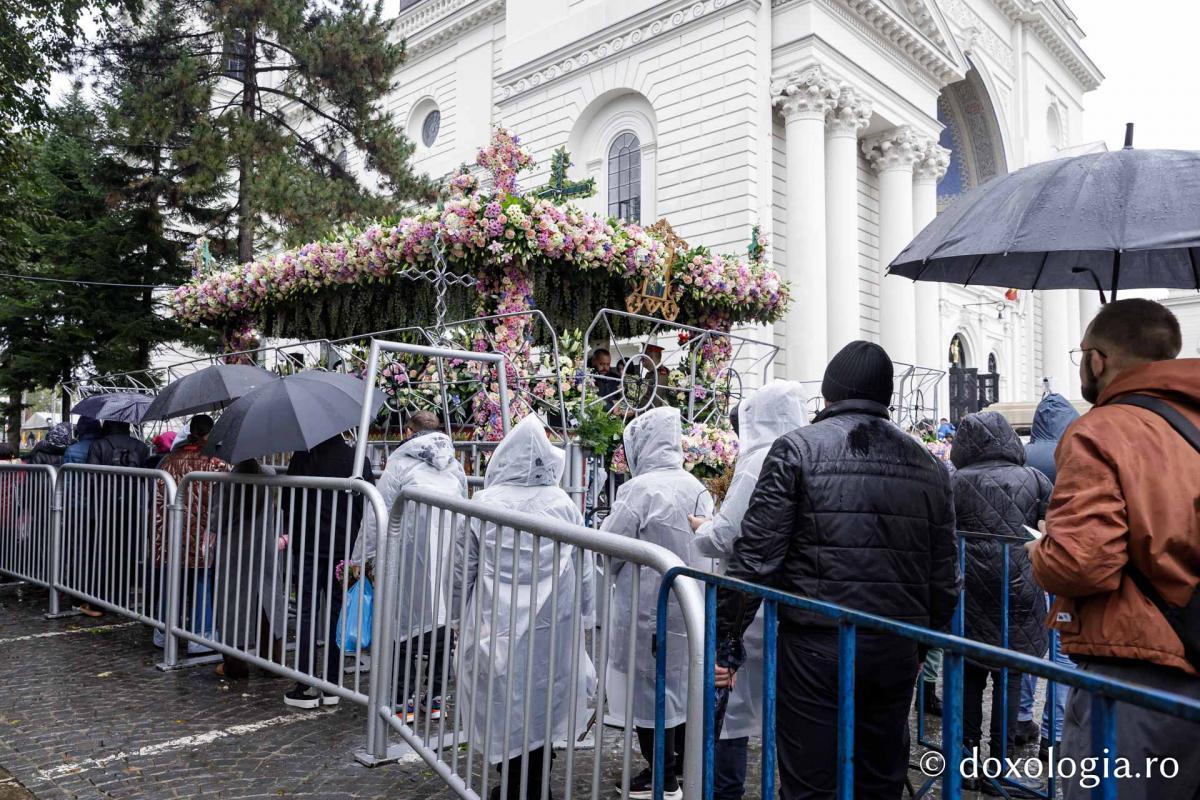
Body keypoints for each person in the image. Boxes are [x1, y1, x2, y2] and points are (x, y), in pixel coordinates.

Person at [717, 341, 959, 800]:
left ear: (828, 393)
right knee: (879, 775)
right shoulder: (929, 464)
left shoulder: (797, 449)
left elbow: (755, 559)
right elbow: (944, 576)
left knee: (810, 778)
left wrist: (723, 641)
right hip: (894, 643)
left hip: (817, 644)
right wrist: (923, 640)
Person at [1029, 299, 1200, 800]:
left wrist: (1040, 550)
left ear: (1097, 360)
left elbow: (1079, 562)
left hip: (1136, 674)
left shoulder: (1101, 429)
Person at [450, 415, 595, 800]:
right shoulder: (563, 505)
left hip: (494, 624)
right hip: (554, 624)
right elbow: (584, 570)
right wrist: (586, 614)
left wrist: (453, 615)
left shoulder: (485, 503)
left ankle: (514, 785)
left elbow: (462, 568)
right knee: (544, 705)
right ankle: (536, 786)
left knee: (502, 704)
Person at [688, 381, 808, 800]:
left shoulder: (759, 460)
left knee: (732, 710)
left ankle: (727, 791)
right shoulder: (807, 453)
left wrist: (702, 530)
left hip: (749, 603)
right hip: (795, 604)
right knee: (789, 711)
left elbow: (728, 534)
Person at [601, 406, 714, 800]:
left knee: (650, 693)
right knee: (680, 688)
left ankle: (660, 775)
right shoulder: (695, 486)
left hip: (648, 607)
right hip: (690, 605)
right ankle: (679, 767)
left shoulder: (639, 489)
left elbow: (610, 545)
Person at [949, 412, 1051, 773]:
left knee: (970, 674)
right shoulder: (1035, 479)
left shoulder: (954, 480)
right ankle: (1000, 763)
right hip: (1019, 590)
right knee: (1010, 676)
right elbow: (1051, 528)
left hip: (969, 590)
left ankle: (967, 759)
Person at [352, 410, 467, 722]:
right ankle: (436, 697)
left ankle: (403, 701)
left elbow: (379, 511)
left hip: (408, 554)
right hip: (447, 553)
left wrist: (361, 557)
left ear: (408, 431)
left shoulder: (400, 463)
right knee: (443, 620)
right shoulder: (455, 466)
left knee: (400, 624)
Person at [282, 432, 375, 709]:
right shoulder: (356, 459)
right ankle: (333, 684)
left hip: (309, 545)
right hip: (343, 549)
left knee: (307, 612)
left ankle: (306, 682)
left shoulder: (302, 457)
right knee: (338, 613)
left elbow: (288, 501)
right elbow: (366, 505)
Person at [1015, 392, 1079, 756]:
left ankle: (1021, 718)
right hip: (1062, 561)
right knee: (1061, 652)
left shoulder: (1024, 454)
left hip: (1024, 562)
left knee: (1027, 647)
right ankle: (1055, 736)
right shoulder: (1070, 453)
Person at [152, 415, 228, 653]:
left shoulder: (169, 460)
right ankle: (200, 635)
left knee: (170, 580)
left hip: (170, 531)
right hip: (202, 532)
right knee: (201, 580)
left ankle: (163, 631)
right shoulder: (215, 462)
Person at [212, 459, 289, 680]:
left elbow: (219, 521)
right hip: (265, 547)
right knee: (268, 601)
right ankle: (273, 661)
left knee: (233, 604)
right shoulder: (270, 474)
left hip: (235, 550)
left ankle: (235, 664)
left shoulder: (227, 480)